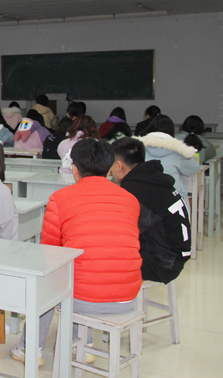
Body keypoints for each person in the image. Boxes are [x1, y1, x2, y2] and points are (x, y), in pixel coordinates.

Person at [10, 138, 141, 367]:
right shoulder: (131, 200)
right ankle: (81, 344)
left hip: (83, 299)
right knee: (84, 269)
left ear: (75, 169)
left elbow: (49, 254)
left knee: (49, 280)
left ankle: (30, 349)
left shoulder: (60, 199)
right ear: (109, 169)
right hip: (127, 296)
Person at [111, 137, 191, 284]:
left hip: (163, 263)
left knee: (102, 256)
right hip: (177, 256)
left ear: (119, 165)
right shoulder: (153, 179)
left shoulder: (133, 190)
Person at [137, 115, 199, 211]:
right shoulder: (179, 150)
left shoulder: (138, 148)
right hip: (173, 201)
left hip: (144, 200)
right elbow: (193, 169)